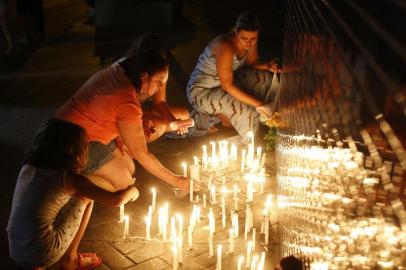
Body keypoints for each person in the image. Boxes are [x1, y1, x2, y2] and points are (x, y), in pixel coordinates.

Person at [56, 34, 191, 193]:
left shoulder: (123, 67)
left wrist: (120, 136)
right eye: (158, 83)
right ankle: (70, 183)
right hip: (72, 141)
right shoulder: (127, 100)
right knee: (124, 184)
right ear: (144, 75)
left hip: (70, 127)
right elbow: (141, 154)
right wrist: (177, 181)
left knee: (129, 167)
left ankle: (82, 178)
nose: (160, 88)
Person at [7, 119, 139, 270]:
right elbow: (115, 200)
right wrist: (132, 191)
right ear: (75, 151)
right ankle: (69, 261)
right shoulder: (70, 179)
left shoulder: (27, 168)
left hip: (16, 247)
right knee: (86, 196)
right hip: (44, 251)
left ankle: (36, 265)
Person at [186, 11, 281, 143]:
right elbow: (227, 85)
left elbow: (253, 62)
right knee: (247, 109)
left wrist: (267, 66)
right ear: (236, 32)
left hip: (223, 84)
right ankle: (247, 141)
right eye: (244, 38)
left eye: (253, 38)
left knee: (263, 78)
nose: (249, 43)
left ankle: (264, 117)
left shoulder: (250, 41)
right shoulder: (224, 46)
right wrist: (259, 104)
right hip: (202, 92)